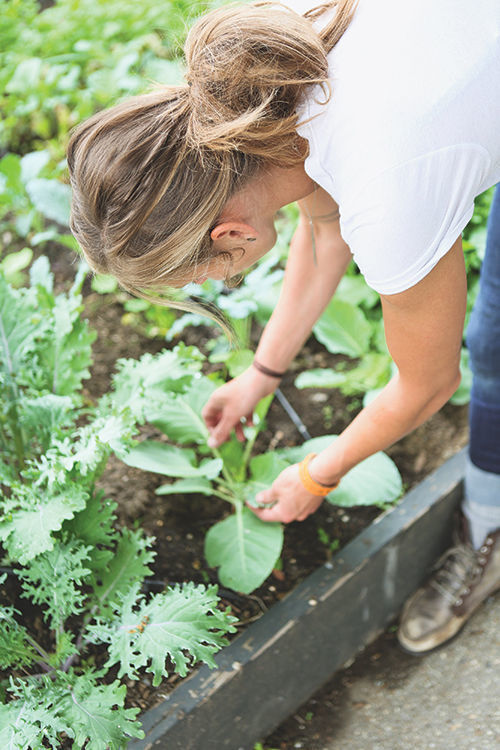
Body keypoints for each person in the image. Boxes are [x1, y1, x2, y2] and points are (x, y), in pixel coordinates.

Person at [67, 0, 500, 654]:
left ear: (231, 234)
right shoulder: (255, 79)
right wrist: (261, 375)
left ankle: (487, 527)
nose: (216, 284)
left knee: (487, 344)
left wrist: (317, 474)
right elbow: (323, 228)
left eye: (207, 275)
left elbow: (429, 384)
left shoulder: (386, 184)